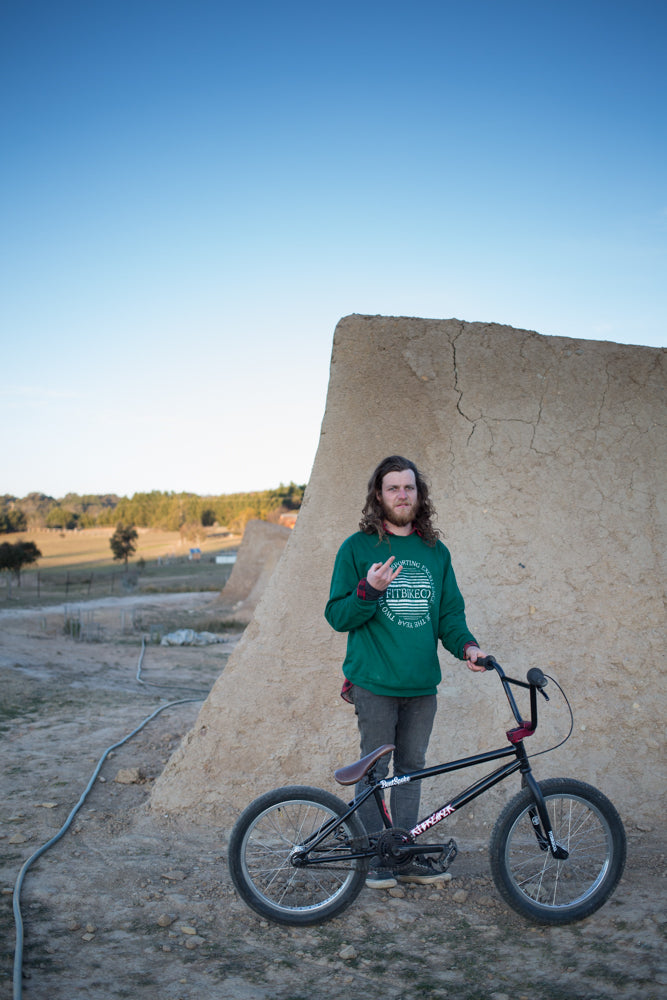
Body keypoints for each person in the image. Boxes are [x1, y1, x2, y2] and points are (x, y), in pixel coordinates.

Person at [325, 455, 486, 889]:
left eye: (409, 487)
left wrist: (466, 646)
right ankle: (375, 860)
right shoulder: (357, 549)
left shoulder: (436, 552)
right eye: (393, 487)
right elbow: (338, 615)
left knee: (411, 770)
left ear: (419, 494)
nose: (402, 494)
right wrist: (369, 590)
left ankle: (402, 854)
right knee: (374, 774)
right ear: (378, 495)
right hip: (374, 683)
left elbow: (449, 616)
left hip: (421, 686)